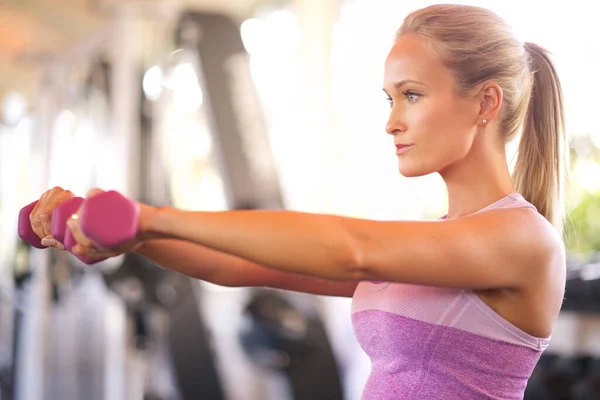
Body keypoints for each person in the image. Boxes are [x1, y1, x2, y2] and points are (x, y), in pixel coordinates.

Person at [27, 4, 568, 399]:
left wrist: (149, 214)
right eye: (390, 98)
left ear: (485, 103)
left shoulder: (522, 240)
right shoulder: (434, 245)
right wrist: (134, 236)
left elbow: (353, 249)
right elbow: (238, 264)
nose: (392, 121)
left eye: (412, 94)